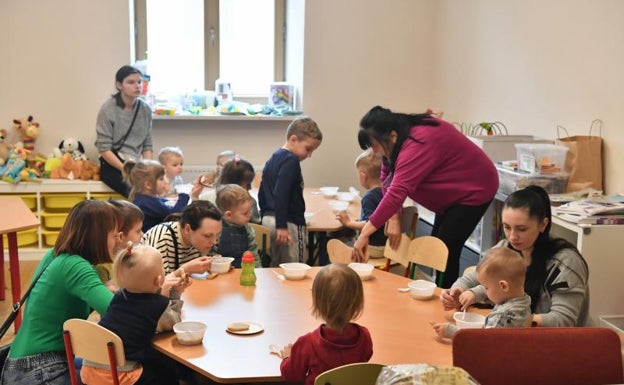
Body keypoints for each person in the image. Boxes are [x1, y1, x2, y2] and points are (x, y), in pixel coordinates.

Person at [352, 106, 498, 288]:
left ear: (391, 135)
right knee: (436, 244)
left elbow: (396, 191)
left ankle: (447, 300)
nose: (373, 151)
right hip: (450, 195)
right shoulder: (395, 140)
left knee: (446, 249)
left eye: (374, 145)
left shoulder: (418, 142)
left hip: (474, 189)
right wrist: (394, 215)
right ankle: (440, 292)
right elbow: (386, 177)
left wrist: (364, 234)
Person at [1, 200, 118, 385]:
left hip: (21, 363)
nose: (118, 241)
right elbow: (118, 313)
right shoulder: (76, 266)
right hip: (38, 369)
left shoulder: (56, 254)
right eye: (114, 235)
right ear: (99, 236)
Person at [440, 185, 590, 327]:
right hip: (514, 335)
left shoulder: (565, 263)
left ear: (543, 224)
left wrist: (512, 318)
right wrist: (456, 292)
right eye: (506, 227)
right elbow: (475, 277)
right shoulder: (505, 248)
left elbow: (563, 320)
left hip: (553, 344)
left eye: (521, 229)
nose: (512, 236)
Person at [80, 243, 188, 385]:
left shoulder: (119, 296)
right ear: (159, 280)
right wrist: (175, 294)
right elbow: (175, 321)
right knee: (166, 372)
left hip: (89, 370)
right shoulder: (157, 306)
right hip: (118, 376)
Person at [279, 264, 373, 385]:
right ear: (357, 303)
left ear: (318, 304)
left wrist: (287, 357)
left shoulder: (307, 344)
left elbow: (291, 375)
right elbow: (366, 358)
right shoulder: (364, 337)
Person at [259, 116, 323, 266]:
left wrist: (267, 216)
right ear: (293, 139)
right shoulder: (291, 161)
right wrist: (282, 225)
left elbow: (263, 191)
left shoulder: (274, 157)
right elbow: (281, 193)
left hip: (269, 221)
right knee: (296, 266)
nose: (309, 155)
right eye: (308, 149)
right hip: (288, 223)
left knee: (276, 266)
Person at [431, 246, 532, 340]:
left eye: (486, 287)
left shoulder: (504, 317)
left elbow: (483, 341)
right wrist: (473, 294)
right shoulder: (523, 300)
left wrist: (452, 332)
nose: (484, 291)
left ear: (503, 286)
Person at [96, 65, 153, 197]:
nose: (137, 86)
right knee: (138, 193)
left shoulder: (145, 109)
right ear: (119, 85)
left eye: (139, 82)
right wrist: (125, 169)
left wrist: (148, 168)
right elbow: (104, 148)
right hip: (114, 165)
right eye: (131, 82)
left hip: (137, 165)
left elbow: (147, 144)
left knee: (155, 188)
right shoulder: (108, 109)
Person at [142, 199, 223, 274]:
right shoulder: (162, 238)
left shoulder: (197, 240)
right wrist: (186, 269)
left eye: (217, 235)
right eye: (208, 236)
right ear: (188, 229)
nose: (214, 241)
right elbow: (156, 285)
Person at [336, 149, 387, 258]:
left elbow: (371, 223)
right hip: (389, 246)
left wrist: (348, 223)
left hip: (375, 247)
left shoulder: (369, 197)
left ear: (363, 176)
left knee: (340, 243)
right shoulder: (389, 193)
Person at [124, 159, 197, 233]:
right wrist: (184, 194)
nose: (166, 181)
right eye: (161, 179)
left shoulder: (144, 198)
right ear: (148, 185)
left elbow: (164, 205)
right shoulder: (146, 203)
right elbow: (175, 215)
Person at [95, 199, 146, 291]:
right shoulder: (101, 267)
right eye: (138, 231)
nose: (142, 234)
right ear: (120, 235)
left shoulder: (127, 256)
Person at [199, 155, 261, 224]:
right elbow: (257, 226)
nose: (250, 188)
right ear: (236, 184)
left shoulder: (205, 197)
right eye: (248, 184)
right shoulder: (249, 201)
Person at [213, 184, 260, 268]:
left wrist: (257, 271)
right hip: (221, 273)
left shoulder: (248, 231)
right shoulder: (216, 230)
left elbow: (254, 257)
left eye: (250, 211)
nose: (250, 215)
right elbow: (209, 255)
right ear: (229, 215)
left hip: (243, 272)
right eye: (245, 213)